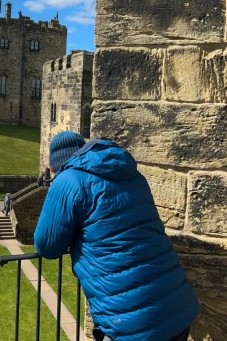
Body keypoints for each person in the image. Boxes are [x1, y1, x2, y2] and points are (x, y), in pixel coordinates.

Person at [35, 131, 199, 341]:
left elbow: (47, 246)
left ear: (53, 168)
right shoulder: (131, 173)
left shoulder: (67, 180)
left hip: (131, 323)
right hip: (177, 306)